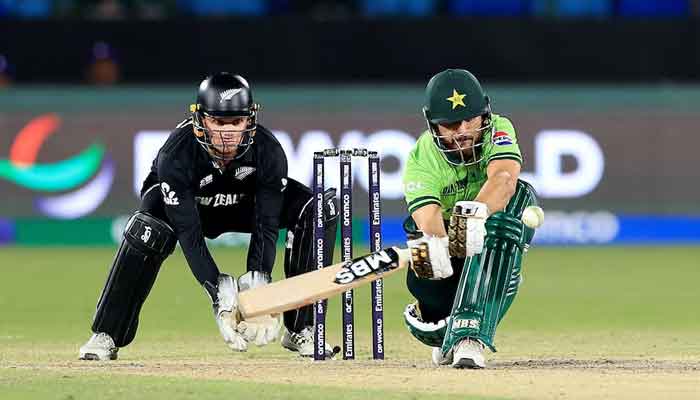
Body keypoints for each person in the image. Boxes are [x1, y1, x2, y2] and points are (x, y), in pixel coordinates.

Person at [79, 72, 338, 360]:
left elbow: (266, 224)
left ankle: (302, 328)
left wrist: (259, 280)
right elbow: (188, 233)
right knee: (146, 228)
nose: (227, 132)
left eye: (236, 122)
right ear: (201, 120)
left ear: (249, 120)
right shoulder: (176, 154)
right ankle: (107, 334)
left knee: (318, 211)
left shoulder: (269, 151)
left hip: (245, 207)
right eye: (219, 122)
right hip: (191, 210)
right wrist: (217, 289)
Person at [402, 69, 539, 368]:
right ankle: (448, 327)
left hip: (485, 229)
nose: (463, 130)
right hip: (447, 241)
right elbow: (427, 217)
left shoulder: (499, 128)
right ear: (433, 124)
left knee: (515, 205)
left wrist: (473, 216)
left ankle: (470, 337)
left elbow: (504, 179)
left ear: (485, 114)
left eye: (471, 119)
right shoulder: (421, 158)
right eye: (450, 124)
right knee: (429, 267)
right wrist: (437, 240)